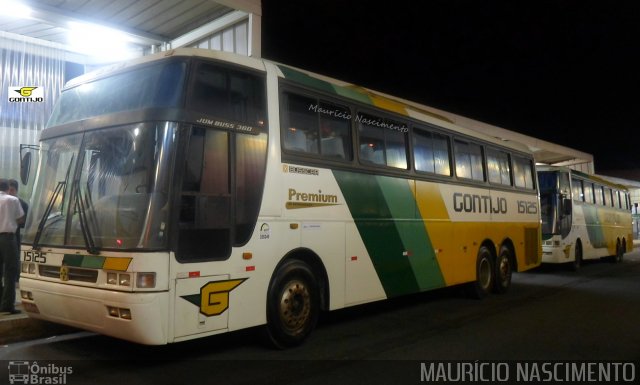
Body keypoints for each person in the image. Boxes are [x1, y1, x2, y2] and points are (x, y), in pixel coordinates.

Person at [0, 178, 25, 314]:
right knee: (10, 270)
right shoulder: (13, 200)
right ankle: (7, 305)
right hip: (8, 238)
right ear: (7, 187)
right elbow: (21, 218)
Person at [8, 179, 28, 283]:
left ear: (16, 191)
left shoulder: (22, 204)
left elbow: (24, 223)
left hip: (15, 235)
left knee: (15, 258)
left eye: (12, 190)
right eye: (8, 190)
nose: (9, 192)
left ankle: (16, 278)